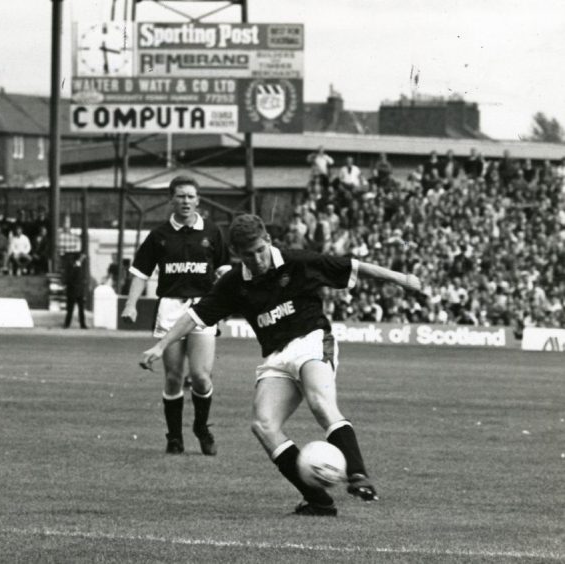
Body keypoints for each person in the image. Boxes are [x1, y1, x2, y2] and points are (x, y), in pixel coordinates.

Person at [140, 214, 422, 516]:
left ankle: (357, 474)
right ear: (237, 253)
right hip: (276, 356)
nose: (257, 259)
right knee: (263, 425)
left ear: (269, 241)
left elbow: (352, 267)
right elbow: (195, 316)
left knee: (319, 400)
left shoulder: (298, 262)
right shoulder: (233, 282)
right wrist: (160, 345)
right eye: (248, 254)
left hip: (312, 339)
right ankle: (318, 500)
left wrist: (402, 279)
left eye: (260, 250)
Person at [121, 176, 231, 456]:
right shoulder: (159, 235)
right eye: (180, 196)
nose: (186, 201)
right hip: (170, 307)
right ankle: (174, 437)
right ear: (172, 199)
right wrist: (131, 304)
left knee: (201, 377)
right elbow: (139, 273)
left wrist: (226, 302)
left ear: (198, 200)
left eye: (191, 196)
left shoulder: (213, 232)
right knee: (173, 377)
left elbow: (224, 272)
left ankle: (202, 428)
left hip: (203, 309)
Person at [62, 252, 89, 329]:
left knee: (79, 309)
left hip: (77, 290)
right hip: (74, 290)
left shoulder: (79, 265)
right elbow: (70, 277)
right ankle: (68, 324)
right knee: (72, 309)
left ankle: (80, 324)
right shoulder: (73, 265)